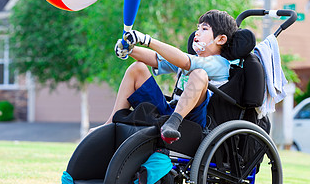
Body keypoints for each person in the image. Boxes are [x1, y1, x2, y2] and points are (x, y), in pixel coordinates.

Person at [100, 9, 238, 143]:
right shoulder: (191, 59)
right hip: (170, 109)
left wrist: (147, 40)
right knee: (137, 68)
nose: (197, 33)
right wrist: (129, 49)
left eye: (204, 29)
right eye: (198, 28)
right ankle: (111, 123)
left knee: (199, 74)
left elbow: (184, 62)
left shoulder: (220, 63)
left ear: (221, 39)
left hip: (194, 119)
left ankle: (174, 122)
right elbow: (156, 59)